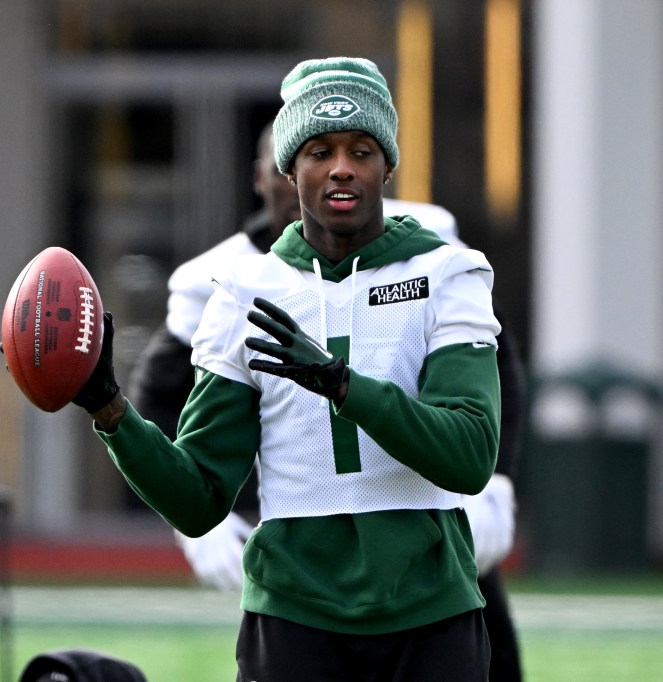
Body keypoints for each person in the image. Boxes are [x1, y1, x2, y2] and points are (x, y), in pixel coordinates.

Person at [70, 56, 501, 681]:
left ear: (389, 165)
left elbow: (468, 455)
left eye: (361, 148)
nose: (342, 167)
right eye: (319, 150)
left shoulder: (448, 273)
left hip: (429, 616)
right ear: (287, 168)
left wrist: (343, 385)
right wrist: (109, 408)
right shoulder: (243, 293)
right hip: (293, 621)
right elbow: (199, 499)